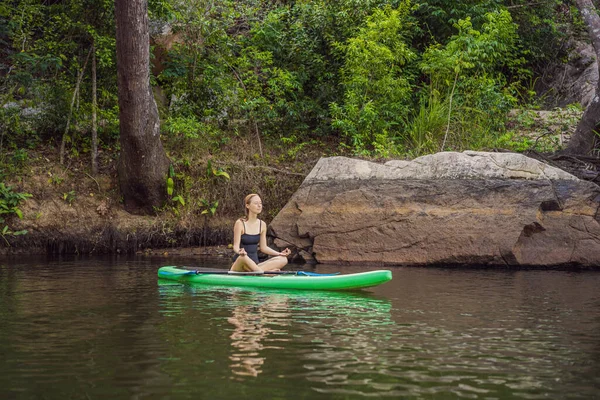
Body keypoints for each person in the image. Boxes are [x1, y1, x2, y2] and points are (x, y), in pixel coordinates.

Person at [230, 194, 291, 272]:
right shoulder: (240, 223)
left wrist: (279, 254)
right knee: (243, 257)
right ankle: (265, 273)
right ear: (247, 205)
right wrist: (240, 252)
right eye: (256, 203)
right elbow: (235, 246)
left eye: (260, 203)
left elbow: (263, 248)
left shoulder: (262, 224)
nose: (259, 206)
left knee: (283, 259)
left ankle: (258, 271)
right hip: (241, 264)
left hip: (255, 265)